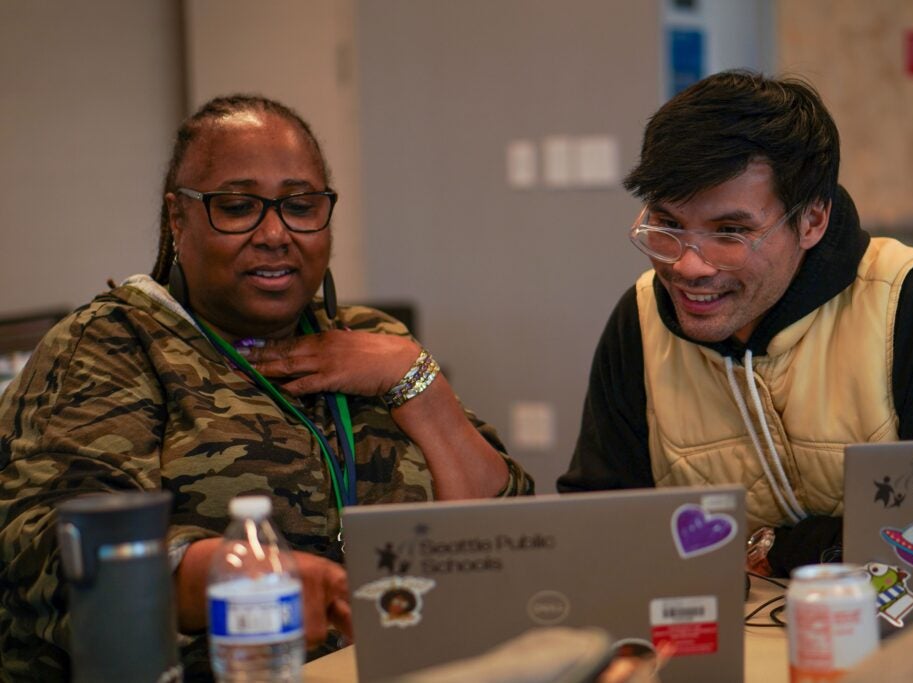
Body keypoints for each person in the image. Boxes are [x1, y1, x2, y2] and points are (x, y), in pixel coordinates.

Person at [0, 94, 533, 681]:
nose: (276, 233)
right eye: (237, 207)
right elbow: (55, 551)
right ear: (178, 218)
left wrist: (418, 383)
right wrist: (233, 573)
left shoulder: (376, 340)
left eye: (300, 205)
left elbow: (504, 545)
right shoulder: (114, 342)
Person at [558, 70, 913, 575]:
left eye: (730, 231)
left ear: (812, 220)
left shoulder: (905, 297)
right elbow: (599, 525)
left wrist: (783, 549)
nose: (688, 266)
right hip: (719, 636)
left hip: (895, 629)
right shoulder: (639, 321)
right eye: (667, 225)